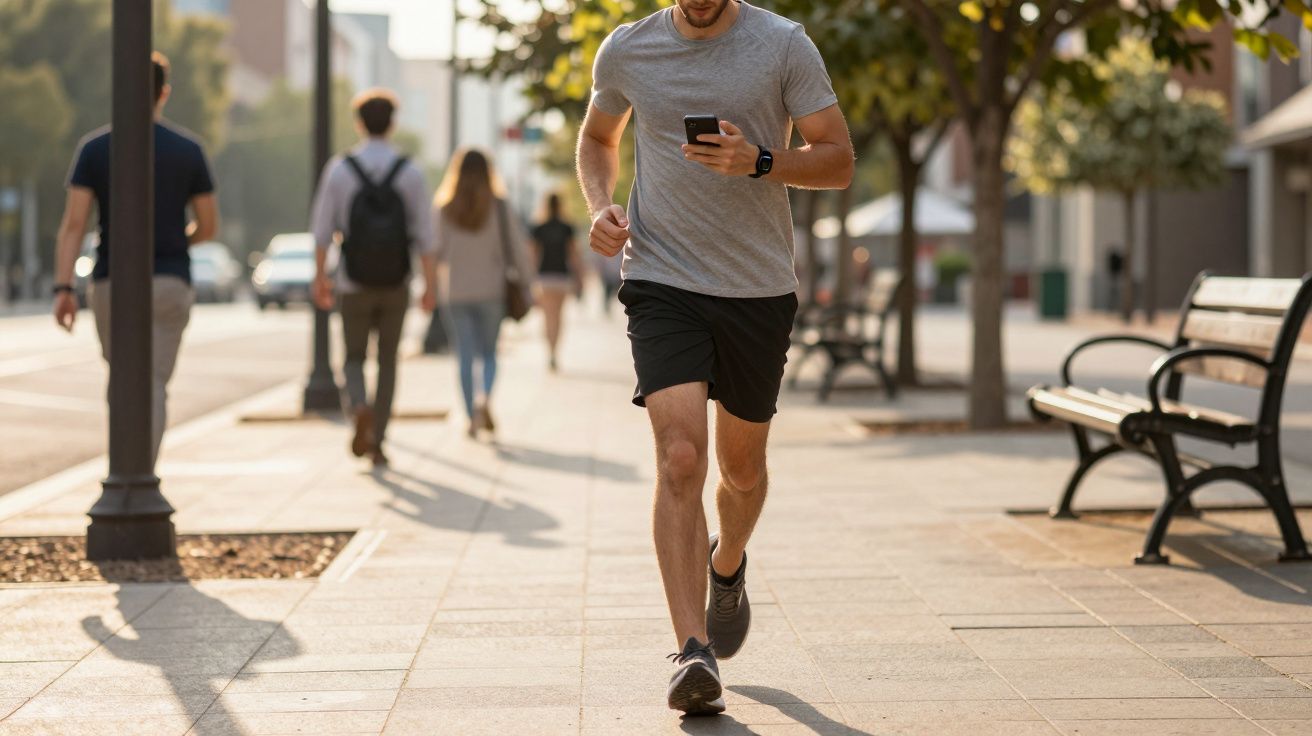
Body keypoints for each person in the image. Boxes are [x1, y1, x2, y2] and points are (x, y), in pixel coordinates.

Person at [577, 0, 854, 716]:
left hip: (757, 287)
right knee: (680, 457)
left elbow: (839, 160)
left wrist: (759, 160)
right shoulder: (627, 49)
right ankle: (692, 652)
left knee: (742, 469)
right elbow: (598, 137)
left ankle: (726, 563)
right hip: (661, 278)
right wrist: (602, 206)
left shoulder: (783, 45)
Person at [52, 51, 219, 467]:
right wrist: (175, 242)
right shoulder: (188, 150)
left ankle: (125, 472)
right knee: (154, 383)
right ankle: (142, 475)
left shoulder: (94, 149)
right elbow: (209, 226)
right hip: (169, 281)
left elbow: (74, 225)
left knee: (123, 381)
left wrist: (63, 288)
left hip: (113, 282)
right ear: (164, 93)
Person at [310, 88, 436, 467]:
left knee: (352, 356)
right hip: (397, 282)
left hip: (352, 281)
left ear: (359, 123)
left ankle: (359, 406)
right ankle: (378, 440)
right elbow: (425, 236)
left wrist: (320, 276)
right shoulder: (410, 171)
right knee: (388, 361)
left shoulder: (340, 168)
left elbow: (321, 230)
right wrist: (430, 285)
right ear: (393, 123)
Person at [430, 149, 534, 439]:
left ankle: (469, 415)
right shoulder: (499, 206)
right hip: (492, 290)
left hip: (456, 291)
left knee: (464, 354)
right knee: (488, 353)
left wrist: (427, 285)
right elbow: (516, 248)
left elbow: (433, 251)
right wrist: (526, 282)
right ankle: (484, 398)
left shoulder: (445, 207)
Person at [530, 193, 583, 371]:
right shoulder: (567, 228)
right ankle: (555, 352)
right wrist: (579, 278)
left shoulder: (538, 228)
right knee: (558, 317)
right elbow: (574, 256)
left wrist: (529, 280)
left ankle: (549, 351)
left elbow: (532, 257)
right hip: (561, 278)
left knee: (547, 317)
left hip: (544, 278)